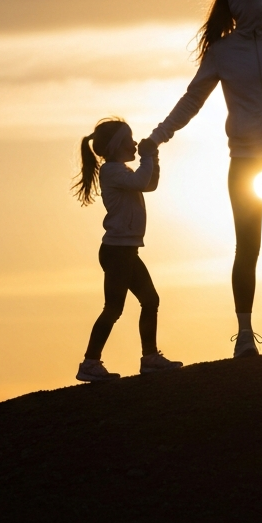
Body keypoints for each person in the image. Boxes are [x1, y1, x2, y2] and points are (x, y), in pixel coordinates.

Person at [144, 0, 262, 357]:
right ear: (241, 4)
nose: (261, 4)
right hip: (245, 162)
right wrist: (159, 136)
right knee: (248, 248)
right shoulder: (222, 53)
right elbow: (192, 100)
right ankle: (245, 336)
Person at [72, 117, 182, 381]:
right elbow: (142, 182)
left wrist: (152, 157)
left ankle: (150, 357)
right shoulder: (112, 170)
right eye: (129, 140)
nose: (134, 143)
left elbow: (149, 183)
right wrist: (146, 157)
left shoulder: (120, 170)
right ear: (117, 145)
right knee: (113, 308)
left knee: (150, 300)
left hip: (127, 250)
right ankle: (90, 363)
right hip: (117, 252)